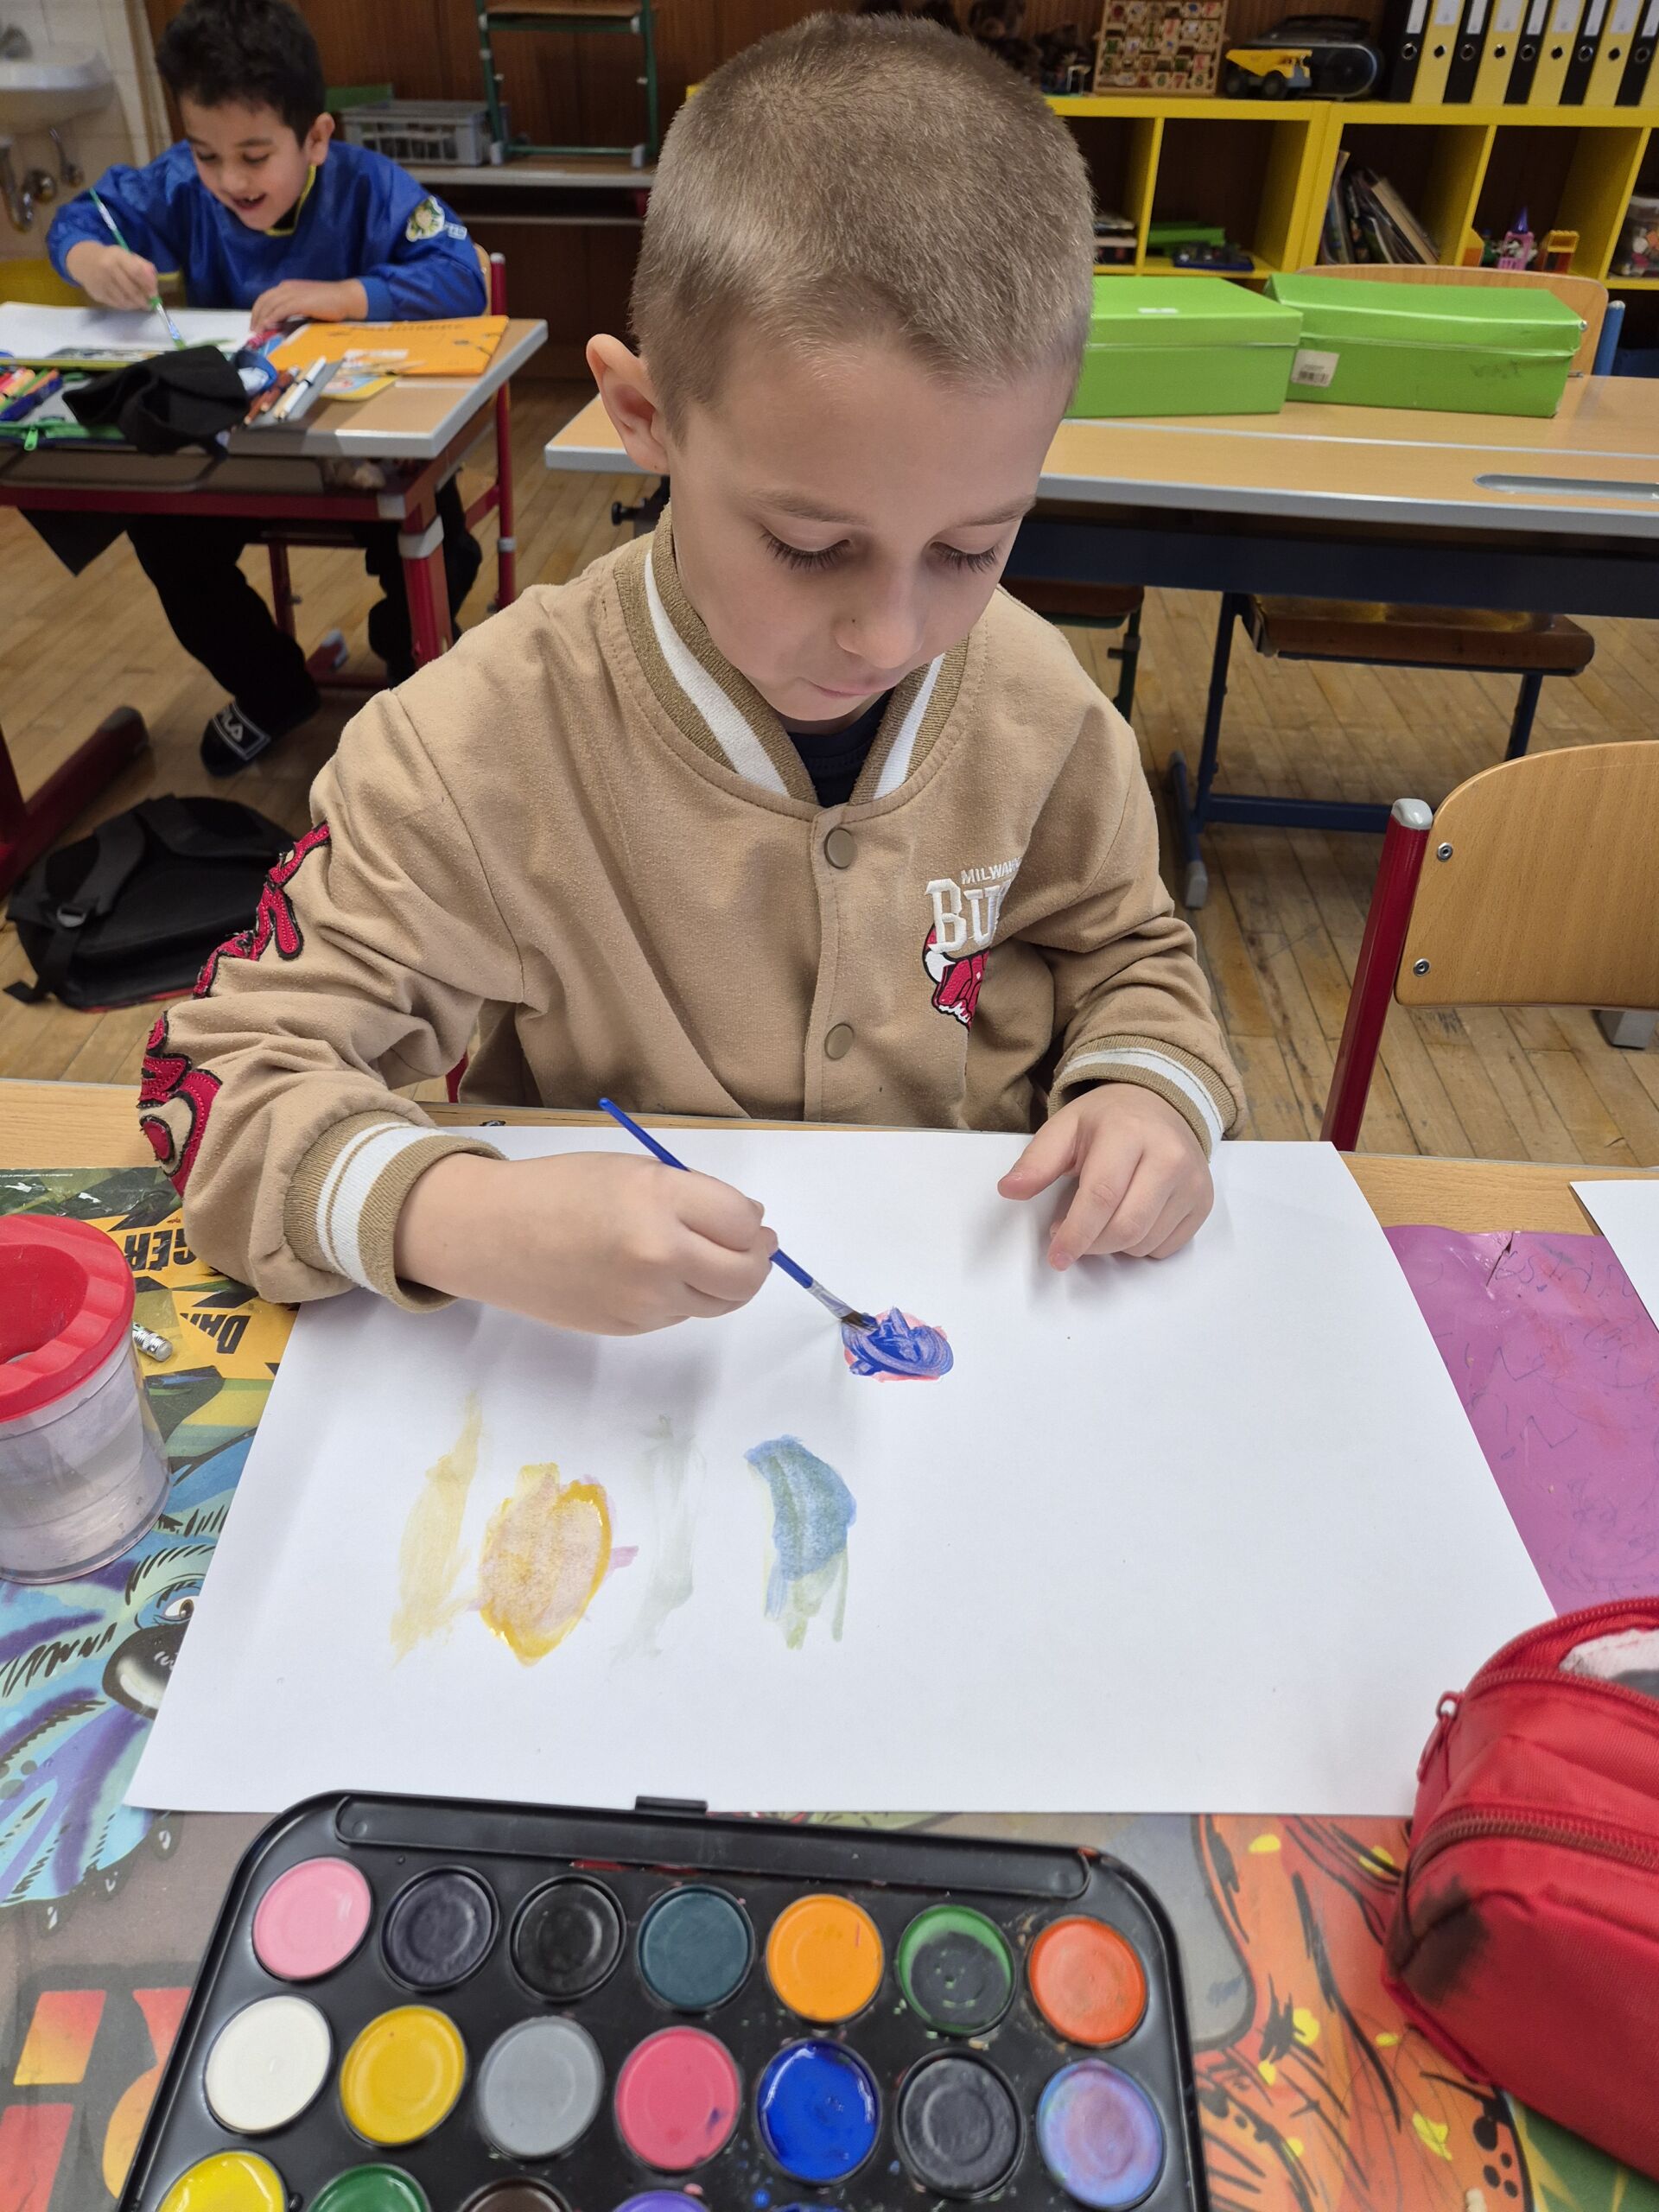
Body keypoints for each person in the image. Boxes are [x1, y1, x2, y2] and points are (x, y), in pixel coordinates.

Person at [136, 12, 1245, 1335]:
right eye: (811, 546)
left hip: (999, 1327)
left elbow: (1129, 952)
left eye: (971, 547)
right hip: (608, 1385)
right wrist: (462, 1216)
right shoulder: (474, 747)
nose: (890, 636)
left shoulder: (1042, 707)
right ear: (644, 415)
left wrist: (1148, 1090)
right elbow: (217, 1085)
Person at [48, 0, 486, 772]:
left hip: (360, 452)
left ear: (316, 138)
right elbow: (82, 221)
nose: (229, 180)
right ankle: (274, 688)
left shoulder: (367, 187)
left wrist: (345, 295)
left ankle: (405, 678)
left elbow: (462, 276)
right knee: (163, 533)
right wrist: (89, 259)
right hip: (237, 454)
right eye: (206, 155)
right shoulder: (183, 185)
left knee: (441, 547)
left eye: (254, 156)